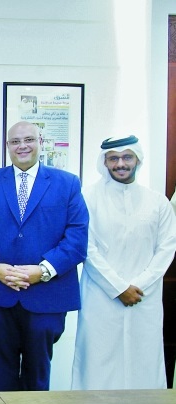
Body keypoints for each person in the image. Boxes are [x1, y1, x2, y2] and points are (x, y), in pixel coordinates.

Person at [0, 121, 89, 391]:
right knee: (1, 376)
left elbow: (77, 237)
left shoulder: (67, 183)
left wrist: (43, 271)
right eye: (15, 141)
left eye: (29, 140)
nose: (22, 146)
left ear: (41, 142)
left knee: (38, 376)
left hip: (47, 294)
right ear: (7, 146)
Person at [72, 135, 176, 390]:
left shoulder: (157, 202)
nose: (120, 164)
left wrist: (139, 285)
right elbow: (87, 248)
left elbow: (166, 248)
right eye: (113, 158)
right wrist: (118, 287)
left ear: (137, 159)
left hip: (144, 297)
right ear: (104, 162)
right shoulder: (88, 198)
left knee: (144, 359)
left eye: (127, 157)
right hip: (101, 296)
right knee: (98, 361)